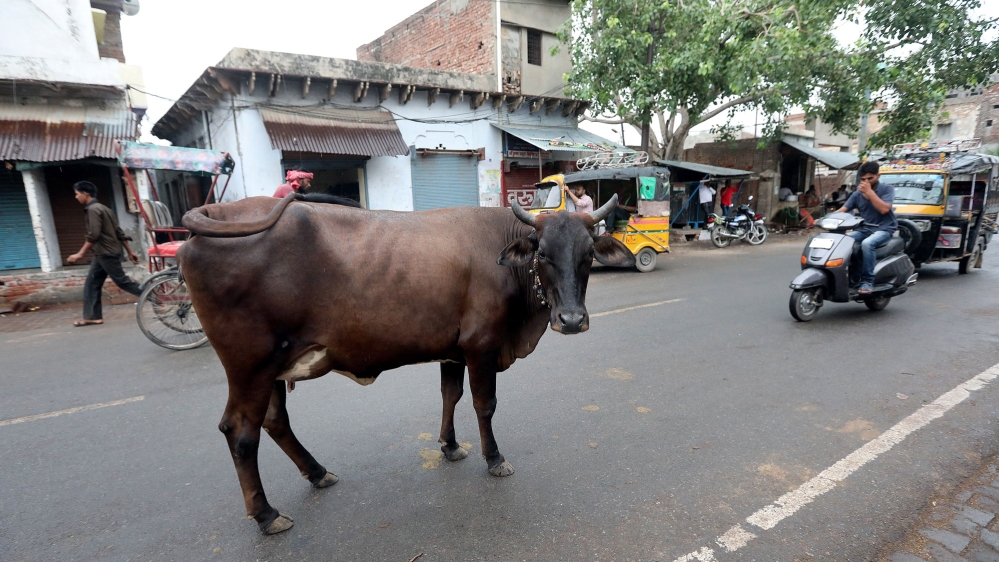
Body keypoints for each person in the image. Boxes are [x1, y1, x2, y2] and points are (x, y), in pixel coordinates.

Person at [66, 181, 143, 327]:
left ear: (85, 194)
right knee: (92, 283)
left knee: (122, 281)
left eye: (76, 194)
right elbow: (119, 232)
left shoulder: (93, 210)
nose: (76, 197)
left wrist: (80, 254)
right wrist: (130, 251)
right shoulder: (104, 208)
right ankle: (93, 316)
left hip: (105, 253)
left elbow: (93, 235)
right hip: (103, 253)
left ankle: (155, 297)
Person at [836, 160, 896, 294]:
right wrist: (824, 219)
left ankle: (867, 281)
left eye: (870, 178)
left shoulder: (887, 189)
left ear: (878, 176)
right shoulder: (857, 194)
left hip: (884, 228)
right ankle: (851, 276)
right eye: (863, 179)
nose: (866, 181)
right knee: (843, 241)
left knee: (867, 244)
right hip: (865, 229)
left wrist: (869, 192)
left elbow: (884, 209)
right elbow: (843, 209)